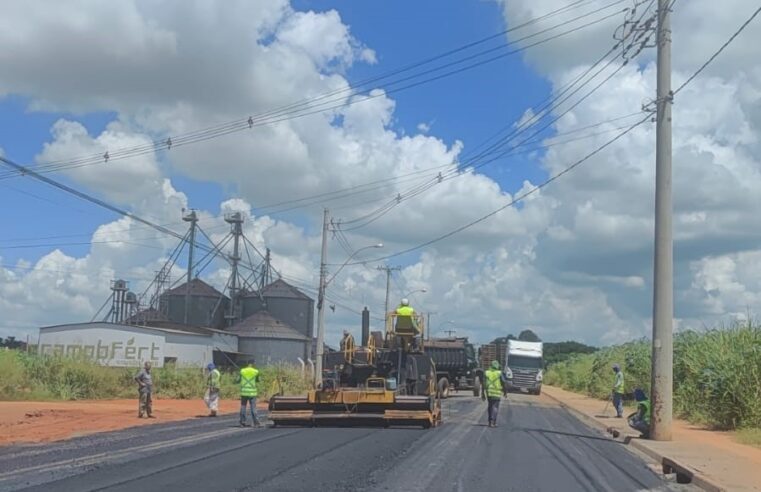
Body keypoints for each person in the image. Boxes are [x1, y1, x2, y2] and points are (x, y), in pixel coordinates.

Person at [481, 360, 508, 428]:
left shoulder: (487, 372)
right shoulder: (499, 373)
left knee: (490, 406)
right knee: (495, 407)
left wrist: (482, 393)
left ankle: (490, 421)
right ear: (497, 366)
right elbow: (504, 383)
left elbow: (483, 384)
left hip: (489, 393)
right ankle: (493, 422)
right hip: (496, 393)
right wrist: (505, 392)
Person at [238, 359, 261, 427]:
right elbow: (258, 380)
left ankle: (242, 422)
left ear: (248, 363)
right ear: (253, 364)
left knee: (243, 407)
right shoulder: (256, 371)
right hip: (252, 393)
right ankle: (256, 423)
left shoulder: (242, 371)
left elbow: (238, 380)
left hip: (244, 392)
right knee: (253, 408)